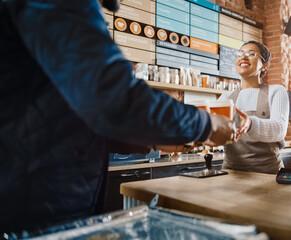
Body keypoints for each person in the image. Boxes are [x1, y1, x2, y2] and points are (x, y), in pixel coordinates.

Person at [0, 0, 235, 234]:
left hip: (38, 196)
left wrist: (150, 140)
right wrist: (206, 124)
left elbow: (69, 115)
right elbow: (112, 98)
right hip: (34, 205)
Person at [218, 41, 289, 174]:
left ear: (264, 65)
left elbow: (279, 129)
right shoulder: (225, 98)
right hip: (232, 173)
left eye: (251, 54)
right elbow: (217, 133)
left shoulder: (276, 91)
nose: (243, 57)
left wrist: (250, 123)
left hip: (268, 173)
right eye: (240, 54)